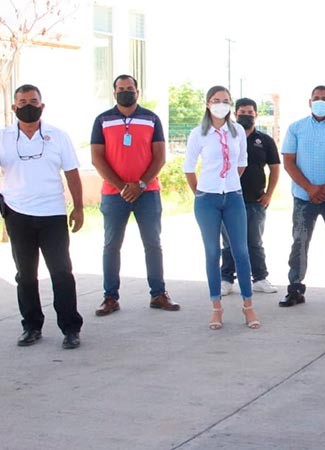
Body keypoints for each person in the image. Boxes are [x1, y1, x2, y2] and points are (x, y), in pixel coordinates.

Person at [0, 84, 83, 349]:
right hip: (17, 214)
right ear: (14, 108)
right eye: (22, 102)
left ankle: (70, 328)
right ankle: (31, 326)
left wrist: (78, 207)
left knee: (61, 272)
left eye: (33, 101)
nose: (28, 106)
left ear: (42, 105)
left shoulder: (58, 136)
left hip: (52, 214)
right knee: (25, 275)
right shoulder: (3, 137)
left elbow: (72, 173)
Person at [90, 74, 179, 316]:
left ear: (137, 92)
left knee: (152, 244)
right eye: (121, 89)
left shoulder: (151, 119)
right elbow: (96, 158)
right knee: (111, 245)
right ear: (114, 92)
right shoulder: (102, 120)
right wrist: (121, 186)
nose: (125, 92)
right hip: (113, 193)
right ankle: (110, 297)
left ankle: (158, 294)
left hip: (147, 192)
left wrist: (140, 184)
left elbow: (159, 156)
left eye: (130, 88)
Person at [184, 85, 260, 330]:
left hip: (233, 197)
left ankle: (248, 305)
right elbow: (188, 167)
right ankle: (216, 307)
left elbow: (241, 163)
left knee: (241, 250)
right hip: (207, 198)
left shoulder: (237, 131)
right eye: (216, 100)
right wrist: (201, 191)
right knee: (212, 252)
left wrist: (229, 182)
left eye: (225, 100)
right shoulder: (198, 133)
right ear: (207, 104)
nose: (221, 104)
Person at [279, 85, 325, 307]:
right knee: (299, 243)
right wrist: (310, 188)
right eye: (316, 98)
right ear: (309, 102)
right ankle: (295, 289)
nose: (320, 101)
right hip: (304, 197)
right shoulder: (296, 128)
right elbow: (288, 162)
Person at [219, 98, 280, 296]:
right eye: (242, 112)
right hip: (228, 199)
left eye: (250, 112)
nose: (246, 115)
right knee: (229, 243)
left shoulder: (265, 140)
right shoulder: (225, 137)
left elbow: (275, 168)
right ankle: (226, 279)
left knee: (254, 241)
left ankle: (260, 278)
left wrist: (269, 194)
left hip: (255, 201)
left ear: (256, 115)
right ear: (235, 114)